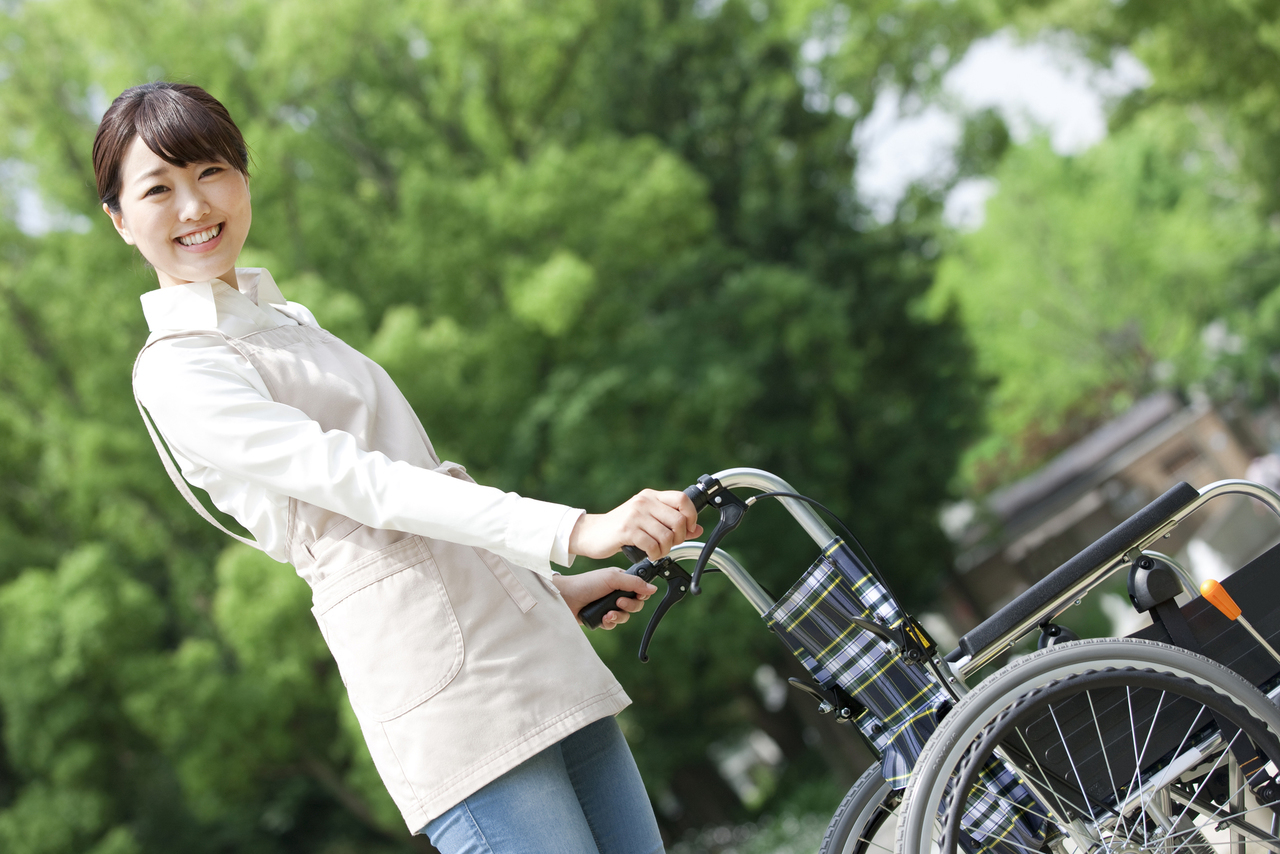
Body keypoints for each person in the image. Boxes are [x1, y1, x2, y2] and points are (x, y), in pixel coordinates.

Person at [93, 81, 701, 854]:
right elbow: (366, 486)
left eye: (211, 171)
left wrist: (551, 585)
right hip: (443, 690)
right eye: (159, 188)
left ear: (243, 177)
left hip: (526, 643)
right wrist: (574, 528)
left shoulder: (290, 326)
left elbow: (422, 487)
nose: (193, 206)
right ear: (119, 219)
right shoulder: (180, 371)